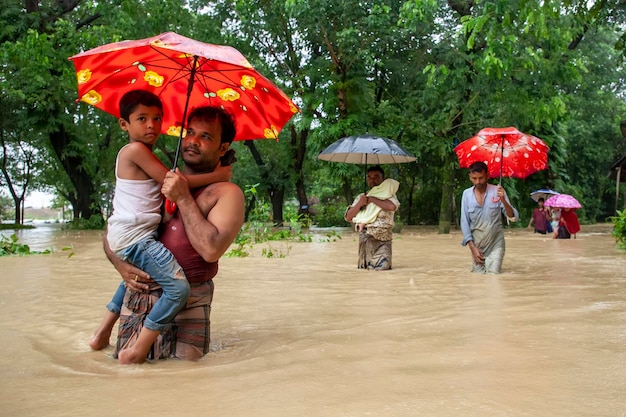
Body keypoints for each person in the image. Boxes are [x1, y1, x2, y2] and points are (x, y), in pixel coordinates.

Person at [90, 92, 234, 362]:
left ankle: (105, 334)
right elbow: (115, 227)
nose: (193, 141)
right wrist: (120, 265)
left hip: (192, 293)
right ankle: (111, 335)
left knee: (186, 375)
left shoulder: (226, 192)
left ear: (222, 148)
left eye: (206, 136)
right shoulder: (160, 174)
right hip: (145, 288)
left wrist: (183, 195)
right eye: (189, 132)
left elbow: (211, 250)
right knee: (131, 371)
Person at [460, 161, 519, 274]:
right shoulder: (466, 195)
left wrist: (503, 200)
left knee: (493, 277)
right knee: (478, 278)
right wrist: (472, 248)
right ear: (470, 177)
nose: (478, 181)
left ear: (488, 175)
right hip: (477, 245)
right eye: (474, 178)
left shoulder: (498, 192)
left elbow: (513, 217)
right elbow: (464, 222)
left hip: (496, 244)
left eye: (481, 178)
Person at [344, 166, 399, 270]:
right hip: (364, 242)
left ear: (384, 178)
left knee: (380, 272)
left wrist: (372, 199)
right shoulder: (362, 197)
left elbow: (392, 206)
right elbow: (348, 217)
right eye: (370, 177)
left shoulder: (388, 195)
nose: (372, 180)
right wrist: (360, 203)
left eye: (376, 177)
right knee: (365, 274)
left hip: (383, 242)